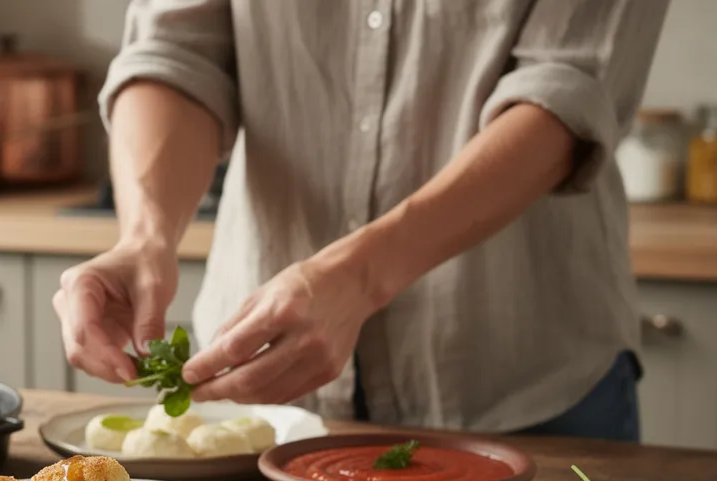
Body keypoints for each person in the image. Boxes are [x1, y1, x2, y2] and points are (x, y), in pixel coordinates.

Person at [52, 0, 668, 442]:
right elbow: (175, 53)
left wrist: (358, 278)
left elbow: (568, 93)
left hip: (523, 379)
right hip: (267, 401)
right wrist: (145, 237)